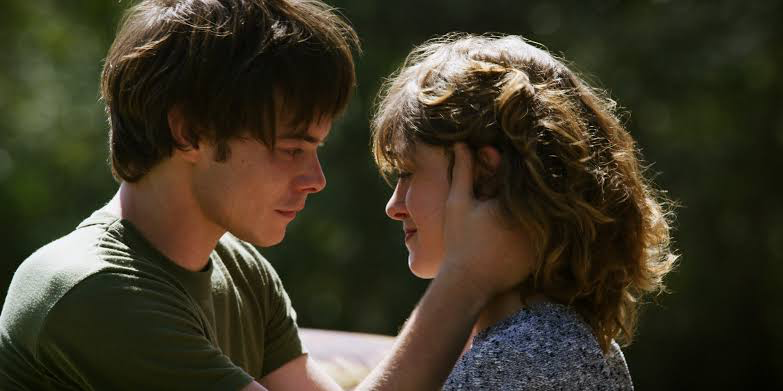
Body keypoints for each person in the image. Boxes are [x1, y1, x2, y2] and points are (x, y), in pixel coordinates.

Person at [0, 2, 528, 390]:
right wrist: (465, 278)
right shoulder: (93, 291)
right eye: (292, 148)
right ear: (189, 132)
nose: (317, 178)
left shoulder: (241, 271)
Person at [372, 33, 678, 390]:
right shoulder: (546, 344)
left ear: (485, 175)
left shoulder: (521, 360)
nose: (394, 206)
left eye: (408, 173)